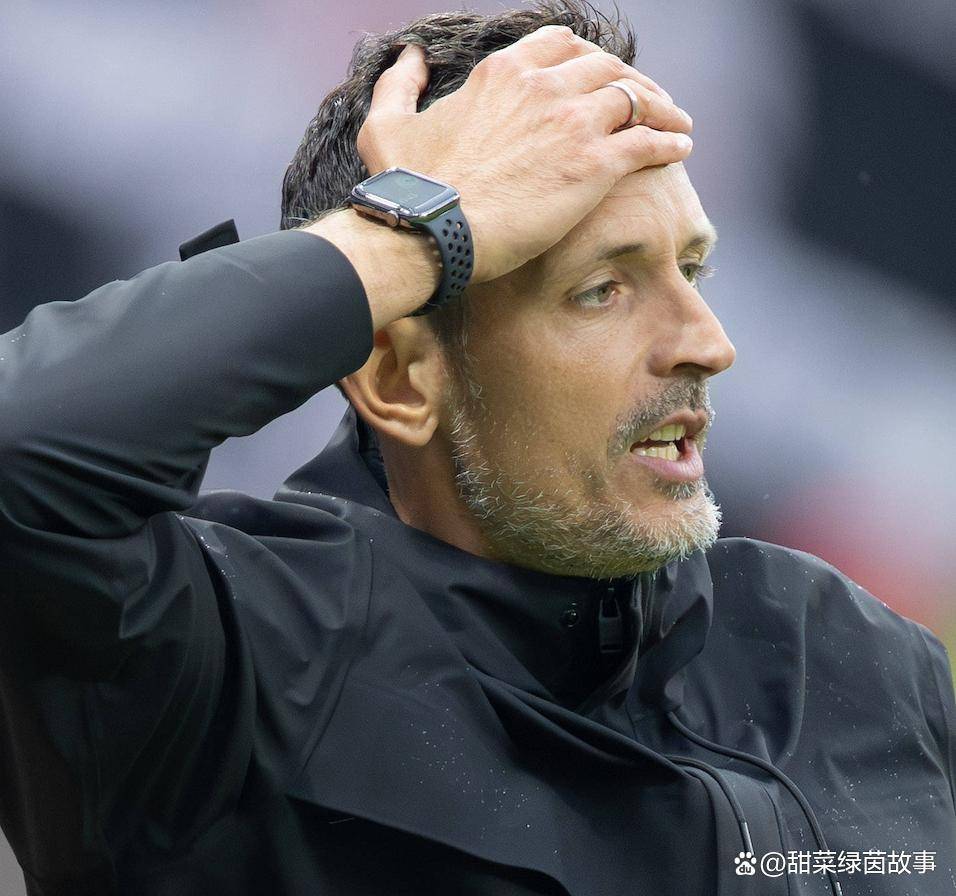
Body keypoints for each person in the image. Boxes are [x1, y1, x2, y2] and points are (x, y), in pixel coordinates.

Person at [0, 2, 953, 894]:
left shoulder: (852, 656)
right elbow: (23, 447)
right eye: (602, 290)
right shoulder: (217, 665)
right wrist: (414, 228)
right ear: (400, 378)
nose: (708, 343)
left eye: (691, 271)